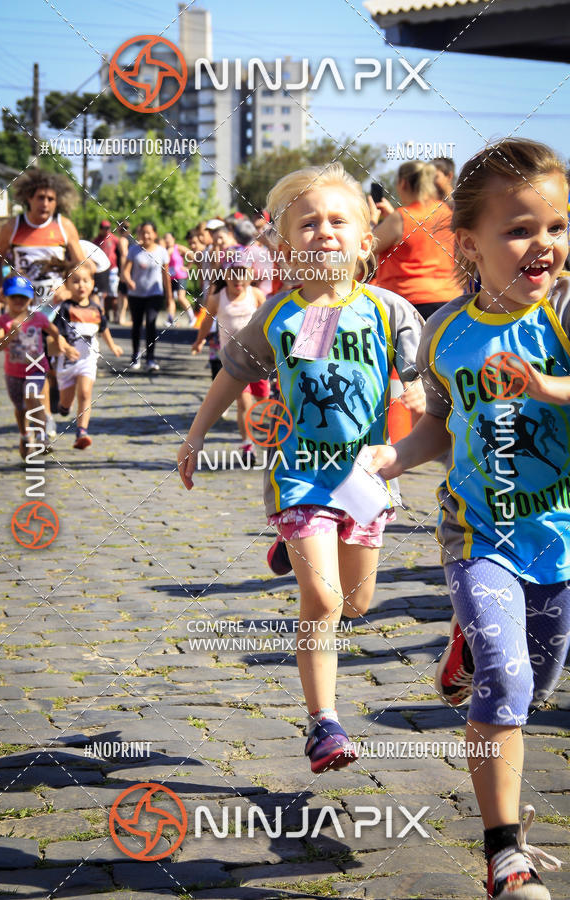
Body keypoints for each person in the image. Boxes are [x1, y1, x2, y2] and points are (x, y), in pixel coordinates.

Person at [364, 138, 569, 900]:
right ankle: (504, 855)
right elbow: (441, 427)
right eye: (519, 229)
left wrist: (546, 387)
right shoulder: (446, 330)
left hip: (562, 536)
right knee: (507, 686)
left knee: (538, 677)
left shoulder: (566, 310)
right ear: (470, 243)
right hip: (478, 533)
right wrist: (391, 457)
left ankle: (465, 649)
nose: (542, 244)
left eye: (556, 226)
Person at [178, 162, 425, 774]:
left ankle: (293, 550)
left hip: (365, 482)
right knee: (322, 602)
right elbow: (234, 372)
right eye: (307, 223)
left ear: (366, 239)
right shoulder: (285, 314)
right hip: (302, 475)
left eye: (338, 220)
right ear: (286, 248)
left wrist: (420, 400)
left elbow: (429, 385)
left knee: (358, 602)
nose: (324, 231)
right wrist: (195, 435)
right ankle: (324, 723)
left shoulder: (389, 310)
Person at [0, 169, 83, 440]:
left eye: (51, 199)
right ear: (29, 198)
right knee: (38, 364)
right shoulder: (14, 227)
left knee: (54, 366)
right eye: (41, 198)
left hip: (56, 308)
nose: (46, 204)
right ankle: (45, 420)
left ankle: (53, 408)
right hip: (26, 310)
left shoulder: (64, 227)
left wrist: (69, 285)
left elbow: (80, 263)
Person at [191, 255, 268, 459]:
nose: (238, 279)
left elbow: (269, 323)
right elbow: (207, 322)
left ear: (251, 275)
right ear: (225, 275)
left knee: (264, 400)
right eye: (233, 273)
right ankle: (247, 444)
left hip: (260, 359)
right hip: (234, 361)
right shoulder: (217, 298)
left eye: (243, 273)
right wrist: (199, 341)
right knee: (243, 402)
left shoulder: (257, 295)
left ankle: (270, 436)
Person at [0, 275, 76, 458]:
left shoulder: (37, 317)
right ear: (6, 297)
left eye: (22, 297)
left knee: (32, 396)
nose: (18, 301)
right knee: (21, 408)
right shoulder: (3, 321)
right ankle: (24, 435)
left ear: (30, 298)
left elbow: (54, 332)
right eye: (14, 296)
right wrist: (10, 335)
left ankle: (41, 437)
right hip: (13, 373)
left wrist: (65, 346)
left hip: (36, 368)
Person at [370, 160, 459, 320]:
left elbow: (366, 249)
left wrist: (372, 222)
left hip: (409, 302)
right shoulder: (446, 212)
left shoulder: (401, 218)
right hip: (449, 300)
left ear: (403, 183)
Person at [54, 261, 122, 449]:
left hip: (88, 359)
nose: (81, 285)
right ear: (67, 284)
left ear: (92, 283)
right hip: (68, 361)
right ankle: (63, 407)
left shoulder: (96, 309)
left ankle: (81, 432)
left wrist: (113, 346)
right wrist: (65, 347)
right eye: (75, 281)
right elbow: (57, 333)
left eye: (85, 281)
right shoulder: (65, 308)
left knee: (85, 393)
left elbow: (104, 329)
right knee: (66, 401)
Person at [122, 220, 170, 373]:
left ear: (155, 234)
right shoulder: (134, 250)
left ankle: (150, 358)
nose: (146, 235)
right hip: (136, 294)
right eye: (143, 232)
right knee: (136, 325)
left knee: (150, 323)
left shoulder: (162, 252)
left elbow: (166, 276)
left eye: (149, 232)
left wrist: (170, 299)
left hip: (154, 294)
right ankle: (135, 355)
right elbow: (125, 271)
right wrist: (129, 281)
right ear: (139, 234)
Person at [163, 232, 196, 326]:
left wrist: (187, 267)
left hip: (180, 276)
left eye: (169, 238)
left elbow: (191, 255)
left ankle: (192, 317)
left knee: (181, 297)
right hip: (169, 277)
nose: (167, 240)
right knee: (170, 298)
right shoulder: (164, 250)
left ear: (173, 239)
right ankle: (170, 319)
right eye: (165, 238)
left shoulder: (178, 248)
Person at [93, 220, 120, 322]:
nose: (106, 230)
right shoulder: (96, 240)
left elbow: (120, 252)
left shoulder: (113, 239)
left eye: (108, 228)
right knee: (103, 294)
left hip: (113, 269)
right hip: (101, 270)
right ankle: (106, 315)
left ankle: (116, 315)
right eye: (104, 228)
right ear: (100, 229)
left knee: (113, 293)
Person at [116, 220, 132, 326]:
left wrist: (123, 272)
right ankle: (125, 317)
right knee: (126, 294)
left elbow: (124, 255)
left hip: (126, 270)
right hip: (132, 270)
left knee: (123, 294)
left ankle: (121, 317)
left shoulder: (123, 240)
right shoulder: (132, 239)